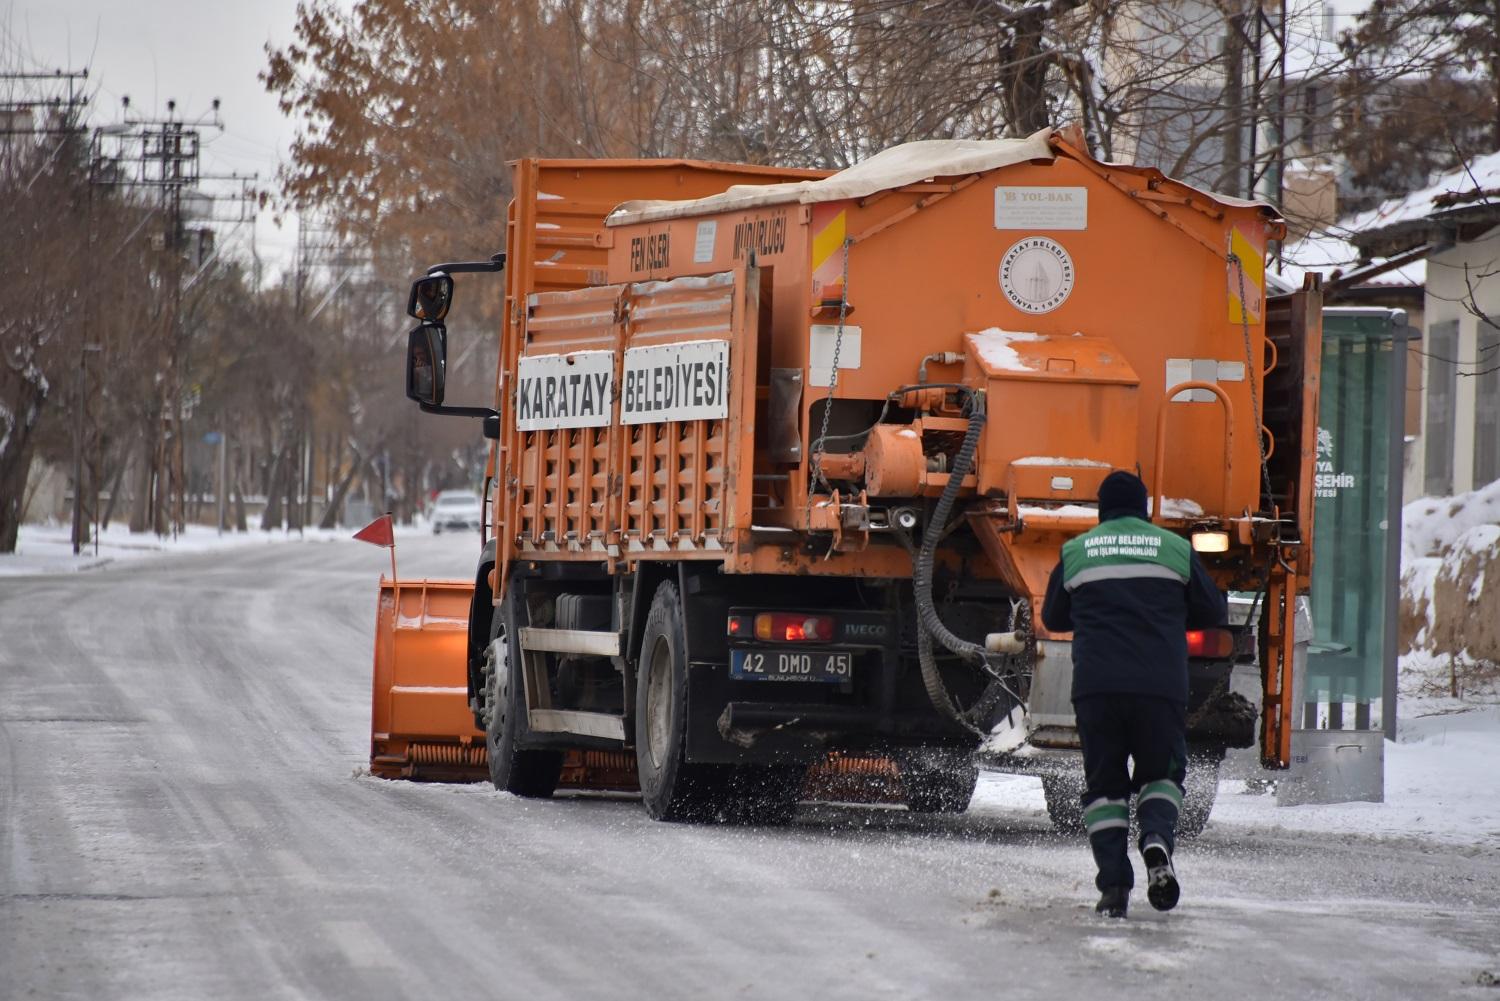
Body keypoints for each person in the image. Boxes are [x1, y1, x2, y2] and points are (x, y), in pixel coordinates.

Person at [1040, 469, 1226, 918]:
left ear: (1101, 510)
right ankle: (1156, 840)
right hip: (1159, 687)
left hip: (1097, 689)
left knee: (1105, 788)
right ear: (1144, 509)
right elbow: (1213, 611)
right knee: (1160, 775)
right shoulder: (1175, 549)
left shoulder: (1078, 551)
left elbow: (1053, 618)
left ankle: (1114, 889)